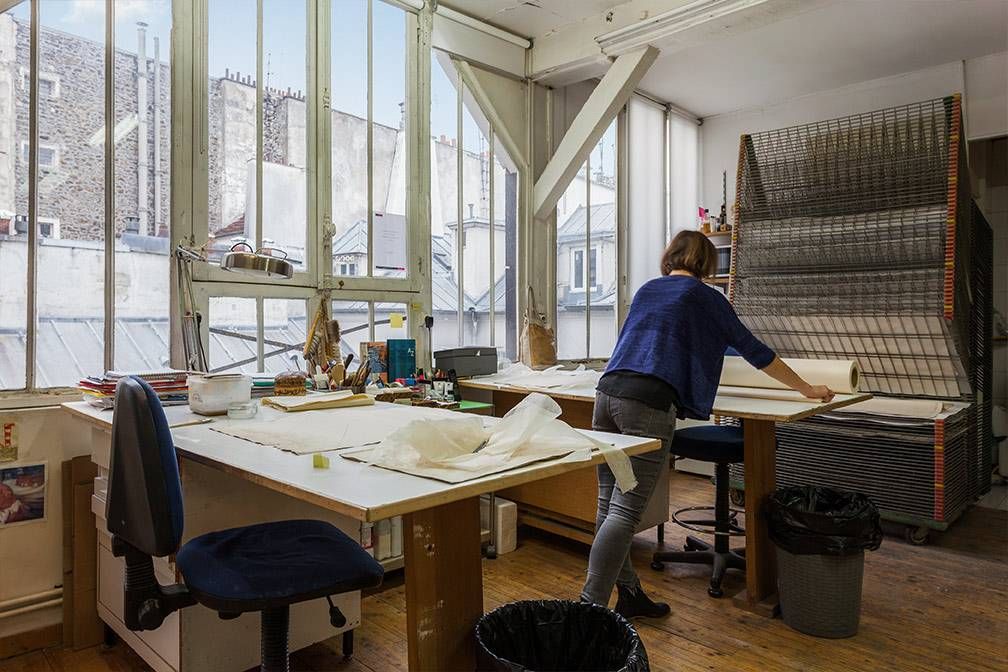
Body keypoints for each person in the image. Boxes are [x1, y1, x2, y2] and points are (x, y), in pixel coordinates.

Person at [580, 230, 834, 618]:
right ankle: (589, 614)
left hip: (607, 396)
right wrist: (805, 387)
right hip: (645, 405)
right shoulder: (705, 298)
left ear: (672, 256)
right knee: (625, 512)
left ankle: (629, 593)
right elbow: (754, 351)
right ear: (706, 263)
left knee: (608, 504)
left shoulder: (649, 289)